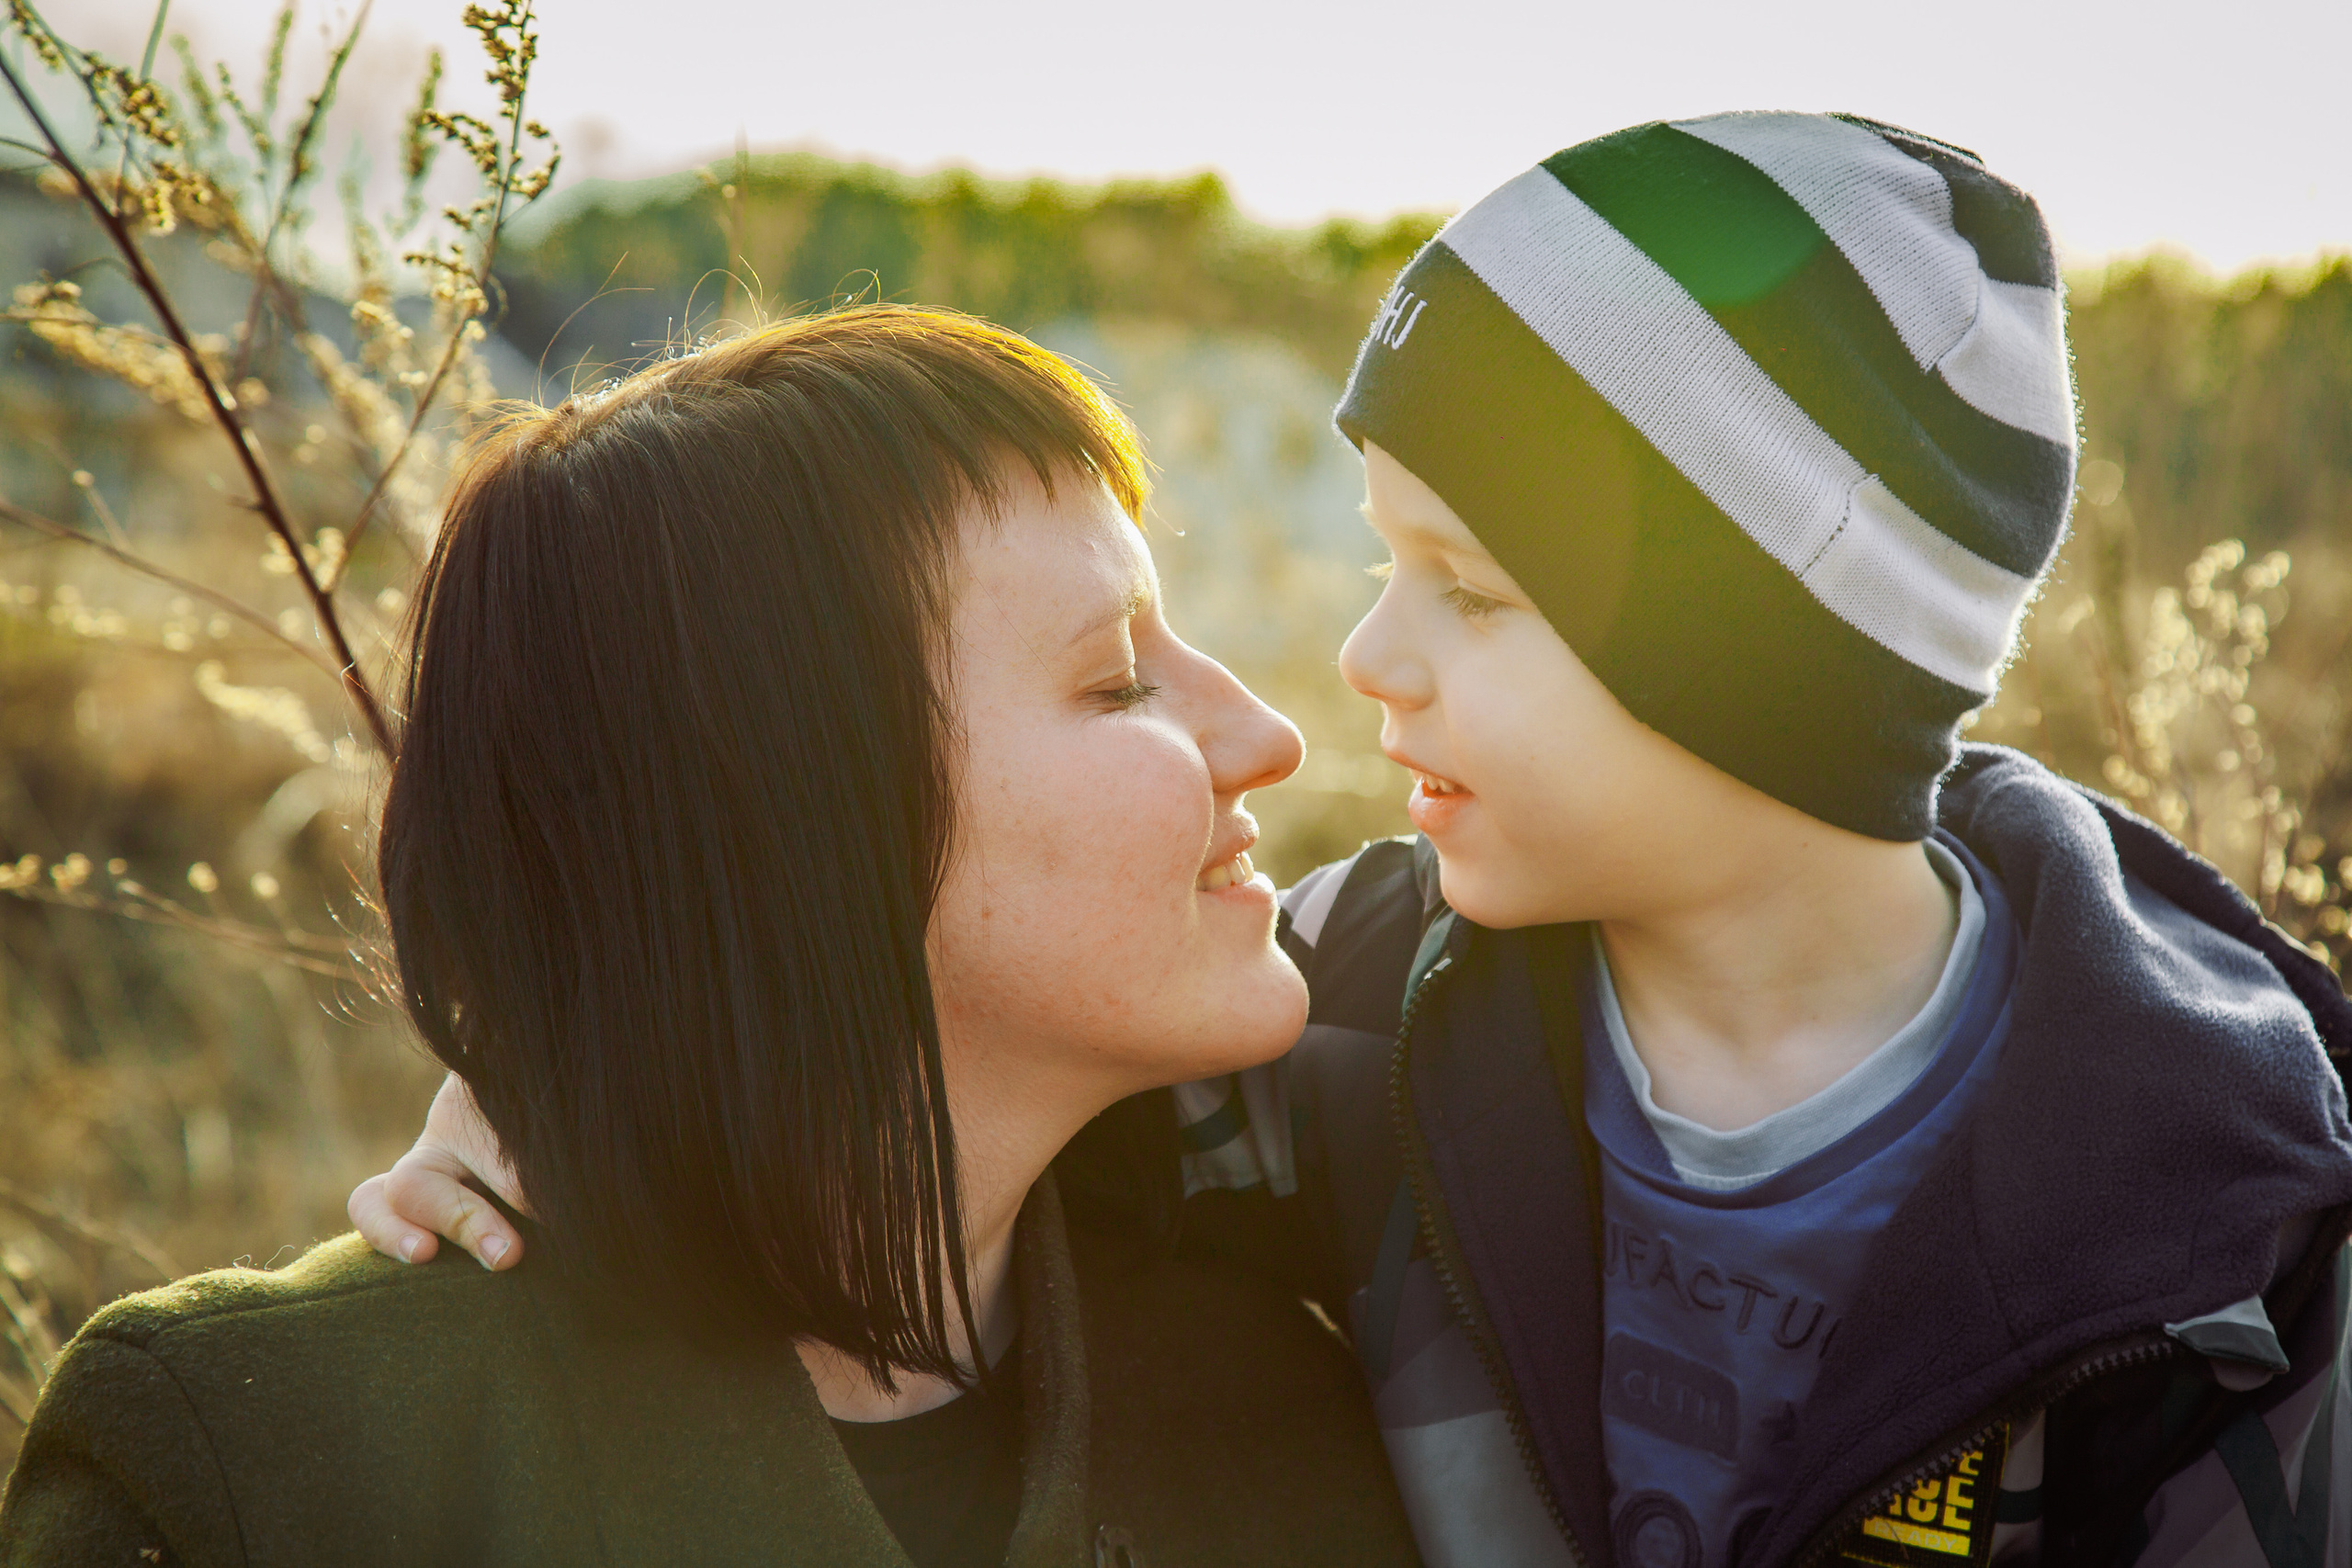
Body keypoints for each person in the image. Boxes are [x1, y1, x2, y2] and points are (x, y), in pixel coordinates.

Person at [350, 115, 2352, 1564]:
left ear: (1761, 669)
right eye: (1383, 559)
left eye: (1468, 591)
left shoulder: (2210, 1236)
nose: (1355, 665)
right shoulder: (1351, 1023)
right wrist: (550, 1084)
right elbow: (897, 1066)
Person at [0, 309, 1423, 1568]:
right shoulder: (264, 1469)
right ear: (788, 818)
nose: (1269, 736)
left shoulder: (1292, 1409)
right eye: (1117, 682)